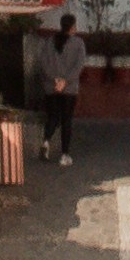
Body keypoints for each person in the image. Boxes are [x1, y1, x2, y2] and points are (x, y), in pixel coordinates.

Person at [29, 9, 85, 169]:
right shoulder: (78, 44)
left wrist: (54, 80)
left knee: (53, 116)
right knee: (66, 120)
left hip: (50, 87)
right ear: (73, 27)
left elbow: (43, 63)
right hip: (70, 89)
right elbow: (79, 65)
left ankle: (46, 142)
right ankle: (64, 154)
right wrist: (65, 81)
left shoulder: (49, 42)